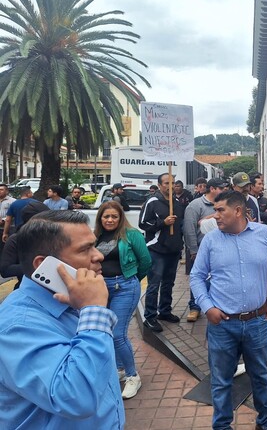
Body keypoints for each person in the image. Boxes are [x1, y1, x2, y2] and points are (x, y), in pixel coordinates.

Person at [0, 210, 124, 429]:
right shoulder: (17, 325)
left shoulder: (73, 302)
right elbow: (77, 398)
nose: (98, 256)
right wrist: (94, 309)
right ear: (44, 265)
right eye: (85, 249)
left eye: (93, 245)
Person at [190, 190, 267, 430]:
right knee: (221, 381)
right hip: (222, 323)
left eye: (220, 210)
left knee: (261, 377)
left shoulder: (264, 234)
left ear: (237, 211)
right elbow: (196, 276)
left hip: (257, 321)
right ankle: (222, 426)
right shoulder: (211, 240)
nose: (215, 216)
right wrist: (207, 307)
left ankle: (266, 423)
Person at [94, 201, 152, 399]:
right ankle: (119, 367)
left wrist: (132, 279)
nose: (110, 220)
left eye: (114, 217)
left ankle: (132, 375)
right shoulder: (95, 236)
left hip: (124, 287)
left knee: (118, 334)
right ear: (100, 218)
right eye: (106, 216)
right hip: (101, 288)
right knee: (107, 332)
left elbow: (146, 261)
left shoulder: (131, 234)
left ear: (120, 218)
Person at [139, 173, 184, 332]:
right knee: (154, 284)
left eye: (172, 183)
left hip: (173, 250)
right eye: (166, 183)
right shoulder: (152, 202)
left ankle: (164, 311)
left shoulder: (177, 202)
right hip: (156, 249)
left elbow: (180, 227)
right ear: (159, 185)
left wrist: (180, 245)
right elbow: (143, 224)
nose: (169, 186)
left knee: (168, 283)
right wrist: (163, 223)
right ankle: (150, 317)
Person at [182, 177, 230, 322]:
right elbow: (189, 229)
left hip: (221, 250)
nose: (225, 191)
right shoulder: (195, 205)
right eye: (222, 189)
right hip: (201, 250)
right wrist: (194, 250)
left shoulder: (225, 204)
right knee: (198, 278)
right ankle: (195, 307)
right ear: (212, 189)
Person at [0, 201, 49, 289]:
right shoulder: (16, 239)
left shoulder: (53, 236)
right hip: (26, 287)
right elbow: (5, 270)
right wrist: (39, 266)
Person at [0, 183, 15, 257]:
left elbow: (14, 214)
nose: (0, 191)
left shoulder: (13, 201)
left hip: (8, 228)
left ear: (7, 191)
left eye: (1, 190)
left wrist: (3, 220)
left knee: (5, 248)